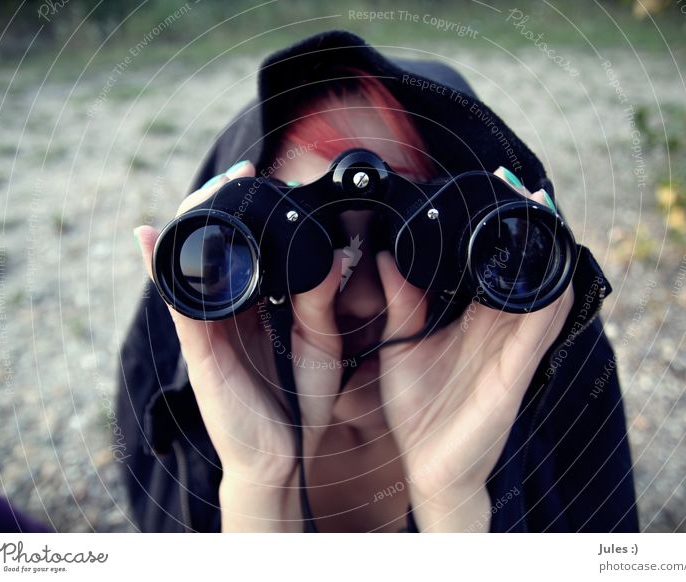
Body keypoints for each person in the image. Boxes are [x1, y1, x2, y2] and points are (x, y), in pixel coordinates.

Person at [118, 30, 639, 533]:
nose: (363, 298)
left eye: (411, 243)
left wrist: (453, 497)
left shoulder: (564, 404)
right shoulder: (171, 402)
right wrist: (258, 486)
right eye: (310, 247)